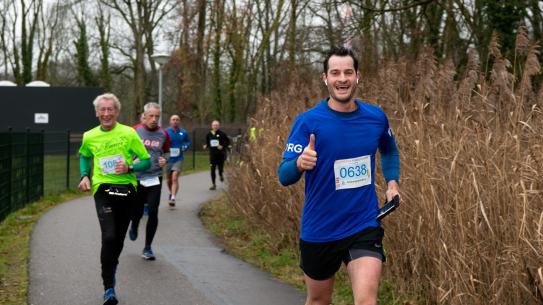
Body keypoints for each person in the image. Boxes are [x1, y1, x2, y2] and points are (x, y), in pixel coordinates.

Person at [278, 46, 401, 305]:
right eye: (335, 73)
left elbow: (389, 151)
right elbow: (284, 175)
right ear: (325, 78)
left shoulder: (375, 118)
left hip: (363, 223)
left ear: (357, 76)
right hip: (320, 229)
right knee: (319, 300)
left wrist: (392, 183)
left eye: (348, 72)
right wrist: (300, 163)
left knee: (367, 301)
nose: (342, 79)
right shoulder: (308, 122)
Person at [78, 93, 151, 305]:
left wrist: (130, 167)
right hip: (103, 188)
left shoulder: (129, 133)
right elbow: (84, 154)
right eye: (103, 109)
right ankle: (108, 288)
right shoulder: (89, 136)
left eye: (111, 109)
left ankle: (112, 264)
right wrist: (84, 175)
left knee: (118, 239)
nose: (107, 113)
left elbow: (146, 161)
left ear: (117, 112)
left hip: (126, 189)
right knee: (109, 236)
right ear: (97, 113)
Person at [129, 102, 170, 261]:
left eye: (157, 117)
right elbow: (123, 151)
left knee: (153, 211)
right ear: (144, 116)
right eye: (151, 116)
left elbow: (166, 153)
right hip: (137, 178)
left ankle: (147, 247)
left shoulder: (163, 134)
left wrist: (164, 160)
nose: (154, 119)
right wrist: (132, 160)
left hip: (154, 177)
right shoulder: (134, 131)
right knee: (137, 211)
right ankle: (134, 224)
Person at [164, 114, 191, 206]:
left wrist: (185, 146)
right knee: (168, 180)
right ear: (170, 121)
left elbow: (188, 141)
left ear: (179, 121)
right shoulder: (166, 132)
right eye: (173, 119)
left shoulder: (183, 132)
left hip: (178, 158)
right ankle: (171, 193)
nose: (175, 121)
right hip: (168, 158)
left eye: (177, 119)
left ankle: (173, 198)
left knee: (174, 178)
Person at [203, 120, 230, 190]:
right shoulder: (209, 134)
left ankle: (221, 175)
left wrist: (222, 146)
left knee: (220, 168)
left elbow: (228, 142)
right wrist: (206, 146)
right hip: (212, 155)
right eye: (214, 125)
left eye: (216, 125)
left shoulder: (222, 134)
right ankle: (213, 184)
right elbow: (208, 143)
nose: (215, 126)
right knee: (212, 169)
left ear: (219, 126)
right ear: (212, 126)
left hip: (221, 155)